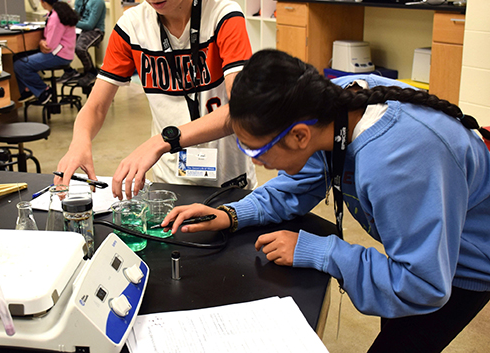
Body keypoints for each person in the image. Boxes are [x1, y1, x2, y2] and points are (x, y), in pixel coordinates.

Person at [162, 49, 490, 353]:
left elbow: (422, 284)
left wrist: (322, 250)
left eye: (256, 151)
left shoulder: (398, 164)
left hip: (465, 261)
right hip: (419, 247)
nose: (256, 163)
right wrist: (232, 214)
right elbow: (298, 185)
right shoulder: (331, 108)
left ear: (299, 135)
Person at [56, 0, 256, 199]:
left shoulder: (224, 17)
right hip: (169, 183)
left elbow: (242, 109)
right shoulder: (131, 27)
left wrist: (162, 141)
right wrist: (79, 142)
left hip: (229, 184)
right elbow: (97, 106)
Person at [14, 0, 79, 104]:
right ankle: (27, 90)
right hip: (65, 53)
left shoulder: (55, 17)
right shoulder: (61, 10)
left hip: (58, 55)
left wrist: (41, 42)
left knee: (20, 65)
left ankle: (43, 90)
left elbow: (49, 46)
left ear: (41, 1)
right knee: (18, 57)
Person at [58, 0, 106, 88]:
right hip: (80, 29)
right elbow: (76, 16)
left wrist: (71, 21)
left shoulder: (97, 1)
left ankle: (91, 72)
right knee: (60, 44)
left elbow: (90, 24)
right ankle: (69, 71)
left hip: (95, 31)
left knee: (80, 48)